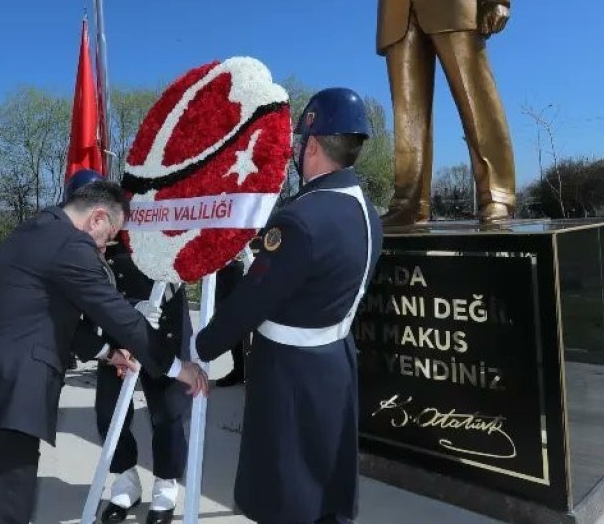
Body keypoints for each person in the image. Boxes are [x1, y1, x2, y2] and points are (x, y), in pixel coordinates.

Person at [0, 179, 210, 524]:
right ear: (97, 218)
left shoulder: (37, 230)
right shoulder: (70, 246)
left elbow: (51, 317)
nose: (107, 246)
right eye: (109, 234)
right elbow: (120, 318)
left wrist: (109, 353)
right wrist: (179, 368)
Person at [191, 87, 383, 524]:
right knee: (328, 474)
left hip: (290, 371)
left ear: (311, 145)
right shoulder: (366, 211)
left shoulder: (301, 219)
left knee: (287, 488)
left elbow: (250, 301)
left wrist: (198, 348)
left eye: (300, 143)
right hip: (336, 359)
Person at [352, 0, 517, 224]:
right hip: (397, 6)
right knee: (407, 113)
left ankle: (497, 194)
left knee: (475, 96)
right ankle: (409, 203)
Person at [65, 170, 192, 524]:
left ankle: (166, 483)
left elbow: (177, 270)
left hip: (161, 329)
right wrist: (112, 342)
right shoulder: (76, 242)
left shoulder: (144, 226)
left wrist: (148, 307)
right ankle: (126, 478)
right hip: (114, 335)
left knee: (166, 411)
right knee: (108, 412)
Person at [211, 257, 248, 388]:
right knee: (229, 322)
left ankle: (246, 371)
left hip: (239, 262)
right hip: (221, 266)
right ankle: (240, 369)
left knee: (240, 319)